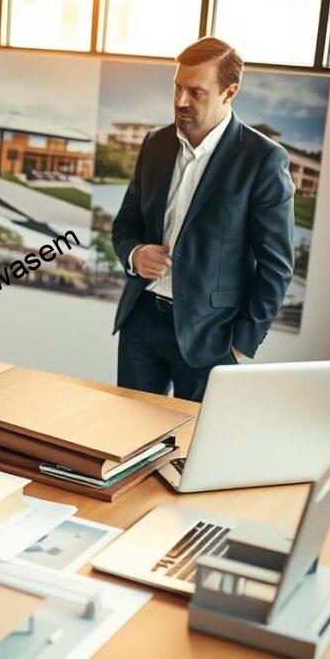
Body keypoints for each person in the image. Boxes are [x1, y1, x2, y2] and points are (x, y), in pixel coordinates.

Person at [111, 37, 294, 402]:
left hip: (212, 338)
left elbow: (277, 267)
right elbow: (124, 224)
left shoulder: (263, 160)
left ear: (230, 91)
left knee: (194, 449)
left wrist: (241, 347)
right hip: (141, 322)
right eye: (178, 87)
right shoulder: (155, 144)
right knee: (126, 438)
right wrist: (134, 254)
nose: (181, 101)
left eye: (196, 92)